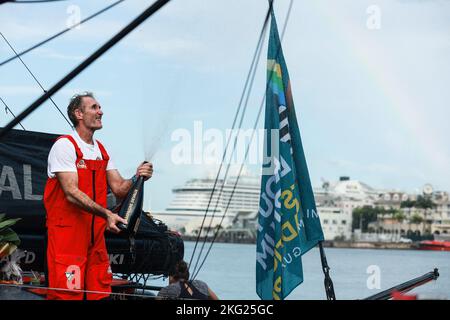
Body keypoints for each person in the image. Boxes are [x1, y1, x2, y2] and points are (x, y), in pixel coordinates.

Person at [43, 92, 153, 300]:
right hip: (68, 237)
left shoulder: (101, 150)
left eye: (100, 107)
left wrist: (138, 176)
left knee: (100, 295)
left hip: (95, 238)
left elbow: (120, 188)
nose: (100, 111)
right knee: (67, 296)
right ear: (79, 114)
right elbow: (71, 193)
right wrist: (106, 214)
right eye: (94, 107)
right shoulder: (65, 146)